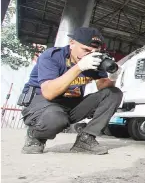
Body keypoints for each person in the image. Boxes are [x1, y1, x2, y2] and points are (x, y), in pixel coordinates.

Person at [20, 27, 123, 155]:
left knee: (113, 93)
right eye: (85, 49)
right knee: (56, 118)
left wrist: (113, 76)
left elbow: (103, 87)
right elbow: (48, 93)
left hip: (72, 104)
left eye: (94, 51)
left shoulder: (94, 60)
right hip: (44, 103)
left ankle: (86, 139)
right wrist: (79, 67)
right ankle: (35, 136)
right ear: (72, 43)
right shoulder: (52, 56)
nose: (89, 54)